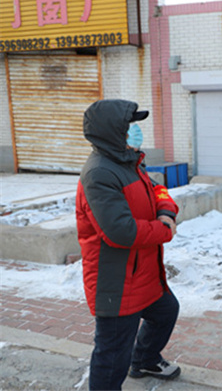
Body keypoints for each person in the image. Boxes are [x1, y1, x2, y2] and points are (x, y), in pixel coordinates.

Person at [76, 99, 181, 390]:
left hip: (143, 271)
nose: (135, 130)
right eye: (130, 125)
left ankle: (144, 359)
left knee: (166, 312)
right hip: (116, 281)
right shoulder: (99, 173)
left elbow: (158, 191)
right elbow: (120, 231)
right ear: (112, 131)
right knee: (111, 357)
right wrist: (164, 229)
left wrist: (167, 212)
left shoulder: (130, 161)